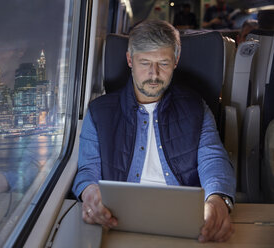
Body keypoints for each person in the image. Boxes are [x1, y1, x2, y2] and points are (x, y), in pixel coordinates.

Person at [72, 19, 236, 243]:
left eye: (164, 63)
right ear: (130, 60)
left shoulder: (196, 108)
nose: (154, 74)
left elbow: (213, 159)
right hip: (119, 223)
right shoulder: (98, 112)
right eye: (145, 62)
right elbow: (88, 170)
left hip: (184, 225)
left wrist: (218, 199)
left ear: (176, 60)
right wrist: (90, 194)